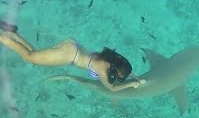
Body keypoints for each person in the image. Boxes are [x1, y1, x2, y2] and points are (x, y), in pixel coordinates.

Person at [0, 21, 146, 92]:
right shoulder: (102, 71)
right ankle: (3, 36)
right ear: (114, 71)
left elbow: (123, 67)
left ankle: (13, 34)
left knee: (34, 55)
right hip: (69, 56)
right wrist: (131, 84)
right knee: (28, 57)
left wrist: (135, 76)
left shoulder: (112, 58)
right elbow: (112, 88)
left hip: (72, 45)